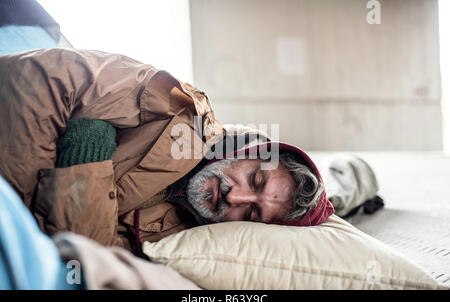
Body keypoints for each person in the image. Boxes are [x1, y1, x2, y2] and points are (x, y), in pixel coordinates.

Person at [0, 48, 381, 259]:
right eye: (255, 177)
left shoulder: (182, 242)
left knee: (341, 197)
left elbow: (86, 258)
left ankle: (358, 174)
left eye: (251, 212)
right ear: (249, 151)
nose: (236, 195)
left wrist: (85, 158)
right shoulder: (176, 111)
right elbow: (37, 79)